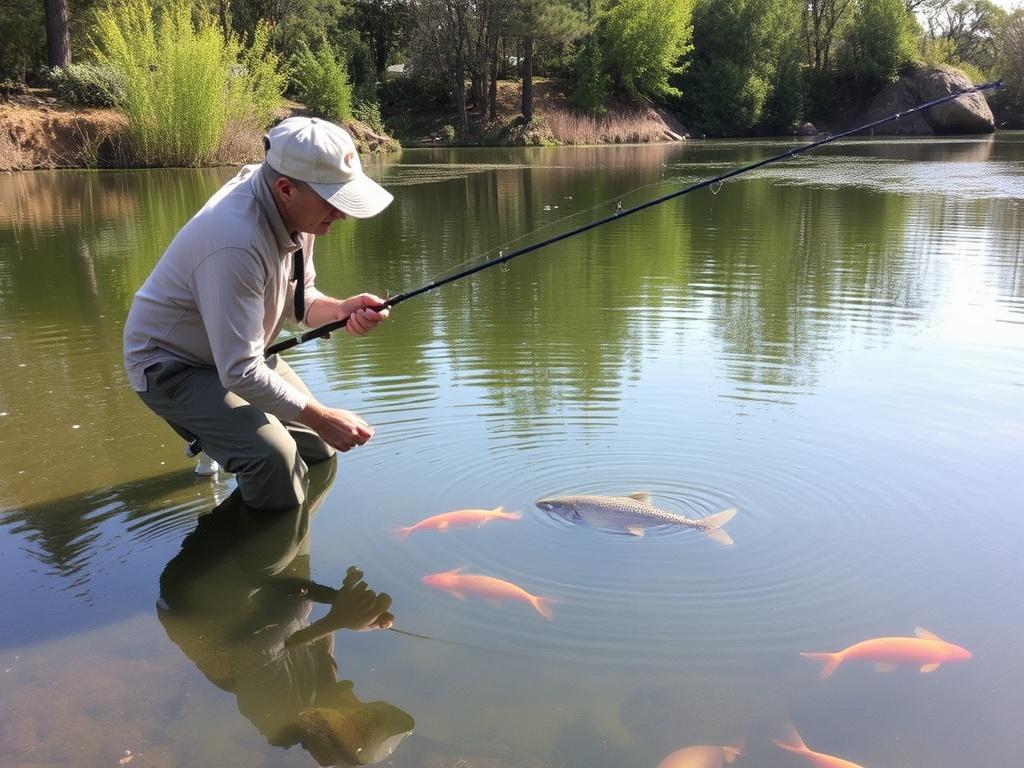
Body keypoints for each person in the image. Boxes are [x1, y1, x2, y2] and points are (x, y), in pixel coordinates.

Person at [124, 117, 393, 510]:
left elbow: (298, 302)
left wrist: (340, 309)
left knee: (318, 448)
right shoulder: (235, 241)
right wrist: (323, 416)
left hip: (237, 352)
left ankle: (229, 443)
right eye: (334, 201)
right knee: (276, 461)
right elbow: (239, 370)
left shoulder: (298, 213)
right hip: (171, 366)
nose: (343, 214)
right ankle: (252, 566)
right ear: (285, 189)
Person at [158, 460, 414, 766]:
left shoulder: (279, 715)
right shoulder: (324, 687)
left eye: (363, 721)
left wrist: (337, 618)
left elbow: (258, 648)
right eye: (372, 711)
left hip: (197, 598)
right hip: (267, 589)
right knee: (321, 463)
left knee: (283, 491)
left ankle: (249, 446)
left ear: (332, 733)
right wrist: (343, 600)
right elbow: (305, 622)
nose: (364, 706)